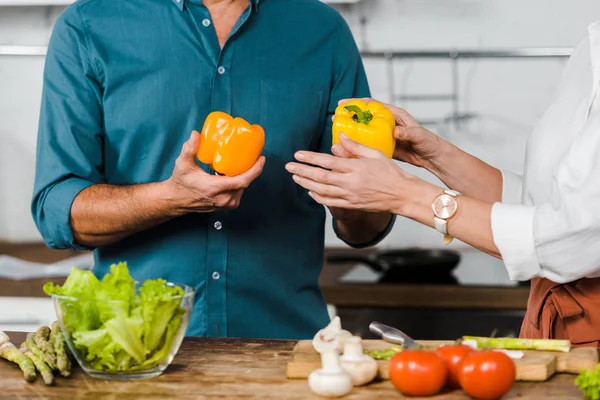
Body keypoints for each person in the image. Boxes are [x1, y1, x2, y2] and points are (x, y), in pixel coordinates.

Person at [31, 0, 395, 339]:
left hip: (284, 350)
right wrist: (168, 200)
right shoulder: (89, 26)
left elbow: (367, 227)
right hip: (138, 350)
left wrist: (356, 203)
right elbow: (57, 210)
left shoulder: (323, 31)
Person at [287, 22, 600, 347]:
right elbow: (543, 203)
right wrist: (433, 157)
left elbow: (568, 240)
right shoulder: (589, 49)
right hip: (554, 324)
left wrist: (405, 194)